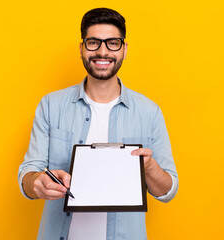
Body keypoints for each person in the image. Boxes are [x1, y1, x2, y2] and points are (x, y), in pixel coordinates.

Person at [18, 8, 178, 240]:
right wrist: (36, 183)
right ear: (82, 48)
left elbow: (168, 191)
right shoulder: (50, 105)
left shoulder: (149, 112)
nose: (102, 51)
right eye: (93, 42)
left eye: (112, 43)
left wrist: (150, 167)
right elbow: (27, 175)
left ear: (124, 49)